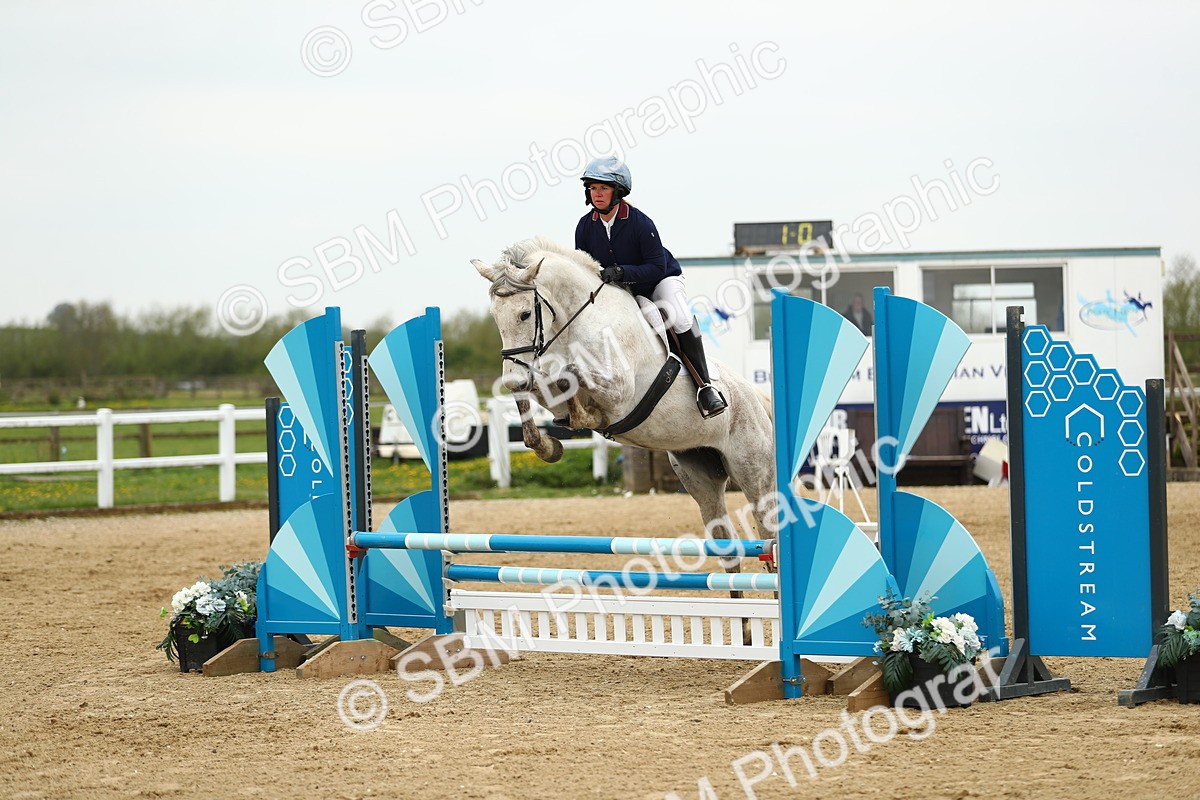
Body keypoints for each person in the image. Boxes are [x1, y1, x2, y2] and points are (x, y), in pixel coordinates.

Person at [574, 156, 727, 417]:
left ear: (618, 192)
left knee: (677, 317)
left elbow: (656, 267)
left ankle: (705, 387)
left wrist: (622, 272)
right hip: (627, 291)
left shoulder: (640, 223)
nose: (596, 194)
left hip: (661, 281)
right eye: (592, 188)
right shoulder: (585, 227)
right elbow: (585, 269)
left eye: (603, 188)